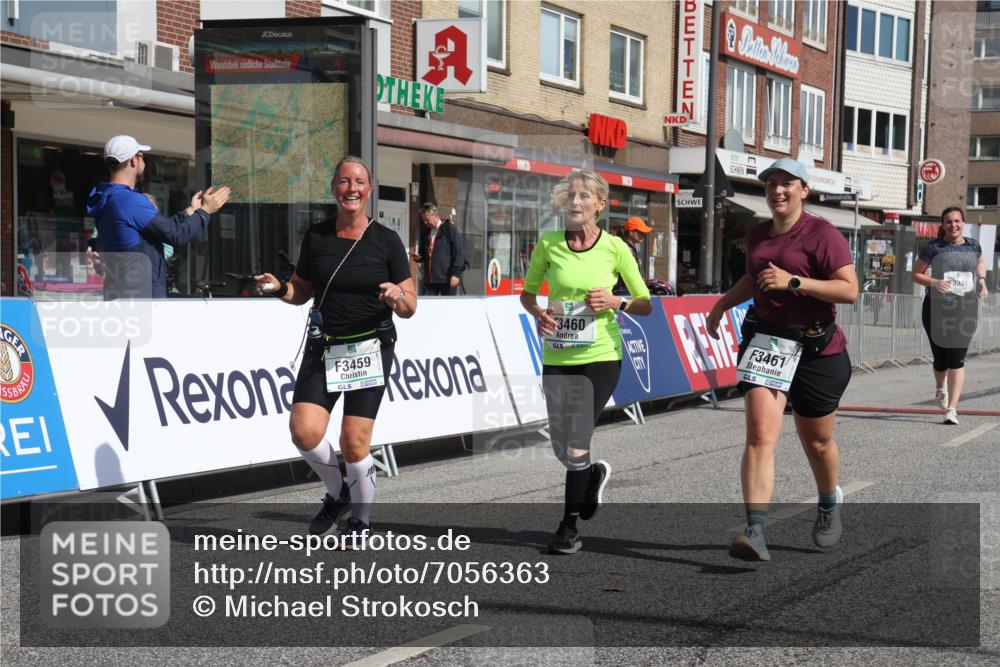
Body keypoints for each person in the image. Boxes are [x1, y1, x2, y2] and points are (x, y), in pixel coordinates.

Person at [254, 156, 416, 540]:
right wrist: (279, 289)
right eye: (344, 182)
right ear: (334, 189)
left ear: (370, 190)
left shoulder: (387, 241)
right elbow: (301, 291)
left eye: (359, 182)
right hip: (325, 347)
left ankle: (361, 518)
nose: (352, 189)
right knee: (304, 431)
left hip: (369, 348)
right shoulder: (317, 237)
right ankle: (337, 490)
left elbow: (410, 307)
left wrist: (396, 296)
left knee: (354, 440)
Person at [706, 157, 858, 562]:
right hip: (768, 343)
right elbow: (753, 278)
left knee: (819, 442)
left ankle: (828, 501)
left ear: (804, 190)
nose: (777, 190)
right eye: (771, 183)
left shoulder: (823, 235)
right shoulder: (757, 235)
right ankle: (755, 531)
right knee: (759, 435)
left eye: (787, 183)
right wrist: (722, 305)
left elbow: (849, 290)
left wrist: (794, 282)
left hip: (816, 349)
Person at [520, 169, 651, 555]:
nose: (575, 202)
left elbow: (644, 304)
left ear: (599, 204)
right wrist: (538, 312)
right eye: (570, 196)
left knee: (576, 440)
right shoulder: (549, 245)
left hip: (600, 357)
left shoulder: (615, 249)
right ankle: (591, 475)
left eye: (583, 196)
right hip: (558, 355)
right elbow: (527, 295)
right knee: (563, 447)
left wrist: (616, 302)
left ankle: (568, 527)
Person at [86, 135, 230, 299]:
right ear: (133, 161)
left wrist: (190, 211)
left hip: (123, 296)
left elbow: (158, 228)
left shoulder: (109, 198)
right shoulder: (127, 200)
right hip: (141, 300)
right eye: (142, 157)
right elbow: (175, 234)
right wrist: (205, 212)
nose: (144, 162)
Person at [912, 207, 988, 425]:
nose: (953, 225)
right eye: (948, 222)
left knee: (957, 358)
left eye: (957, 221)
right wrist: (934, 282)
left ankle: (952, 409)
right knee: (941, 359)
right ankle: (940, 387)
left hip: (965, 308)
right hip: (936, 309)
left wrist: (981, 280)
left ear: (963, 223)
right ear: (942, 225)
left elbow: (980, 262)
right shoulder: (934, 248)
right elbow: (916, 274)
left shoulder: (974, 245)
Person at [411, 202, 465, 295]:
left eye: (427, 220)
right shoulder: (426, 233)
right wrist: (419, 258)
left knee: (447, 307)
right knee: (431, 308)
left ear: (435, 215)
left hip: (447, 280)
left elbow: (459, 252)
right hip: (430, 281)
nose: (425, 222)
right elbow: (425, 254)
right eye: (423, 220)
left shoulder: (449, 229)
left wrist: (456, 274)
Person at [612, 216, 652, 296]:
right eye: (641, 232)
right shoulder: (626, 248)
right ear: (631, 232)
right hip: (622, 291)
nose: (643, 235)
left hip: (623, 290)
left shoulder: (628, 246)